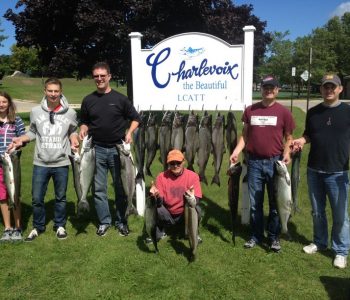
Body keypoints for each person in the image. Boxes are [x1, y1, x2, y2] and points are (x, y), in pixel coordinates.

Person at [230, 75, 295, 252]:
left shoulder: (284, 112)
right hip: (254, 163)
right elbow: (245, 135)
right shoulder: (251, 110)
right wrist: (236, 151)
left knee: (276, 203)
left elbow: (289, 138)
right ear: (261, 89)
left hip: (275, 163)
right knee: (255, 203)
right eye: (265, 87)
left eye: (272, 87)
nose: (268, 90)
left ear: (277, 90)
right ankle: (255, 236)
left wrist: (287, 153)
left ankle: (274, 237)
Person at [10, 78, 79, 241]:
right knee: (37, 198)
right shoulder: (35, 112)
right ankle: (38, 226)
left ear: (61, 92)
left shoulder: (70, 113)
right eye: (50, 91)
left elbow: (73, 130)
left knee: (61, 197)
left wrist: (74, 138)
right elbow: (33, 132)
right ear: (45, 91)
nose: (53, 94)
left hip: (61, 162)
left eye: (56, 91)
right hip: (40, 162)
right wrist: (21, 139)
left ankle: (60, 225)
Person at [292, 74, 350, 269]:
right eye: (326, 86)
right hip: (314, 169)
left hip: (338, 171)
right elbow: (309, 134)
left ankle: (341, 251)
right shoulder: (313, 112)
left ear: (340, 89)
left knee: (340, 214)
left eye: (333, 87)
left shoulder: (347, 111)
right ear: (321, 89)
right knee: (317, 212)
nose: (329, 90)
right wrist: (302, 140)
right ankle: (319, 241)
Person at [79, 62, 140, 237]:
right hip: (95, 150)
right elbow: (84, 121)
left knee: (121, 188)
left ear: (109, 77)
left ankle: (121, 221)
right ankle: (104, 221)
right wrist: (83, 127)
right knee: (98, 189)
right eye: (96, 76)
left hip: (117, 151)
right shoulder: (88, 100)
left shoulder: (120, 99)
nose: (99, 79)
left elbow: (135, 118)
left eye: (102, 75)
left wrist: (129, 132)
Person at [148, 149, 202, 242]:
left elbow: (197, 199)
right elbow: (160, 203)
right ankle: (158, 231)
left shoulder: (193, 176)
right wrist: (155, 196)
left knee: (197, 209)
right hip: (168, 213)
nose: (175, 165)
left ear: (183, 162)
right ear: (168, 164)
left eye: (178, 162)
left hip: (184, 214)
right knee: (155, 207)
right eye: (172, 163)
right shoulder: (161, 177)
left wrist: (192, 197)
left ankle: (192, 233)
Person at [0, 91, 25, 242]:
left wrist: (16, 145)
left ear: (9, 103)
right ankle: (7, 228)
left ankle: (18, 227)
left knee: (14, 193)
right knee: (2, 196)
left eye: (3, 101)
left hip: (12, 161)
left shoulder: (16, 120)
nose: (1, 104)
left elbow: (23, 137)